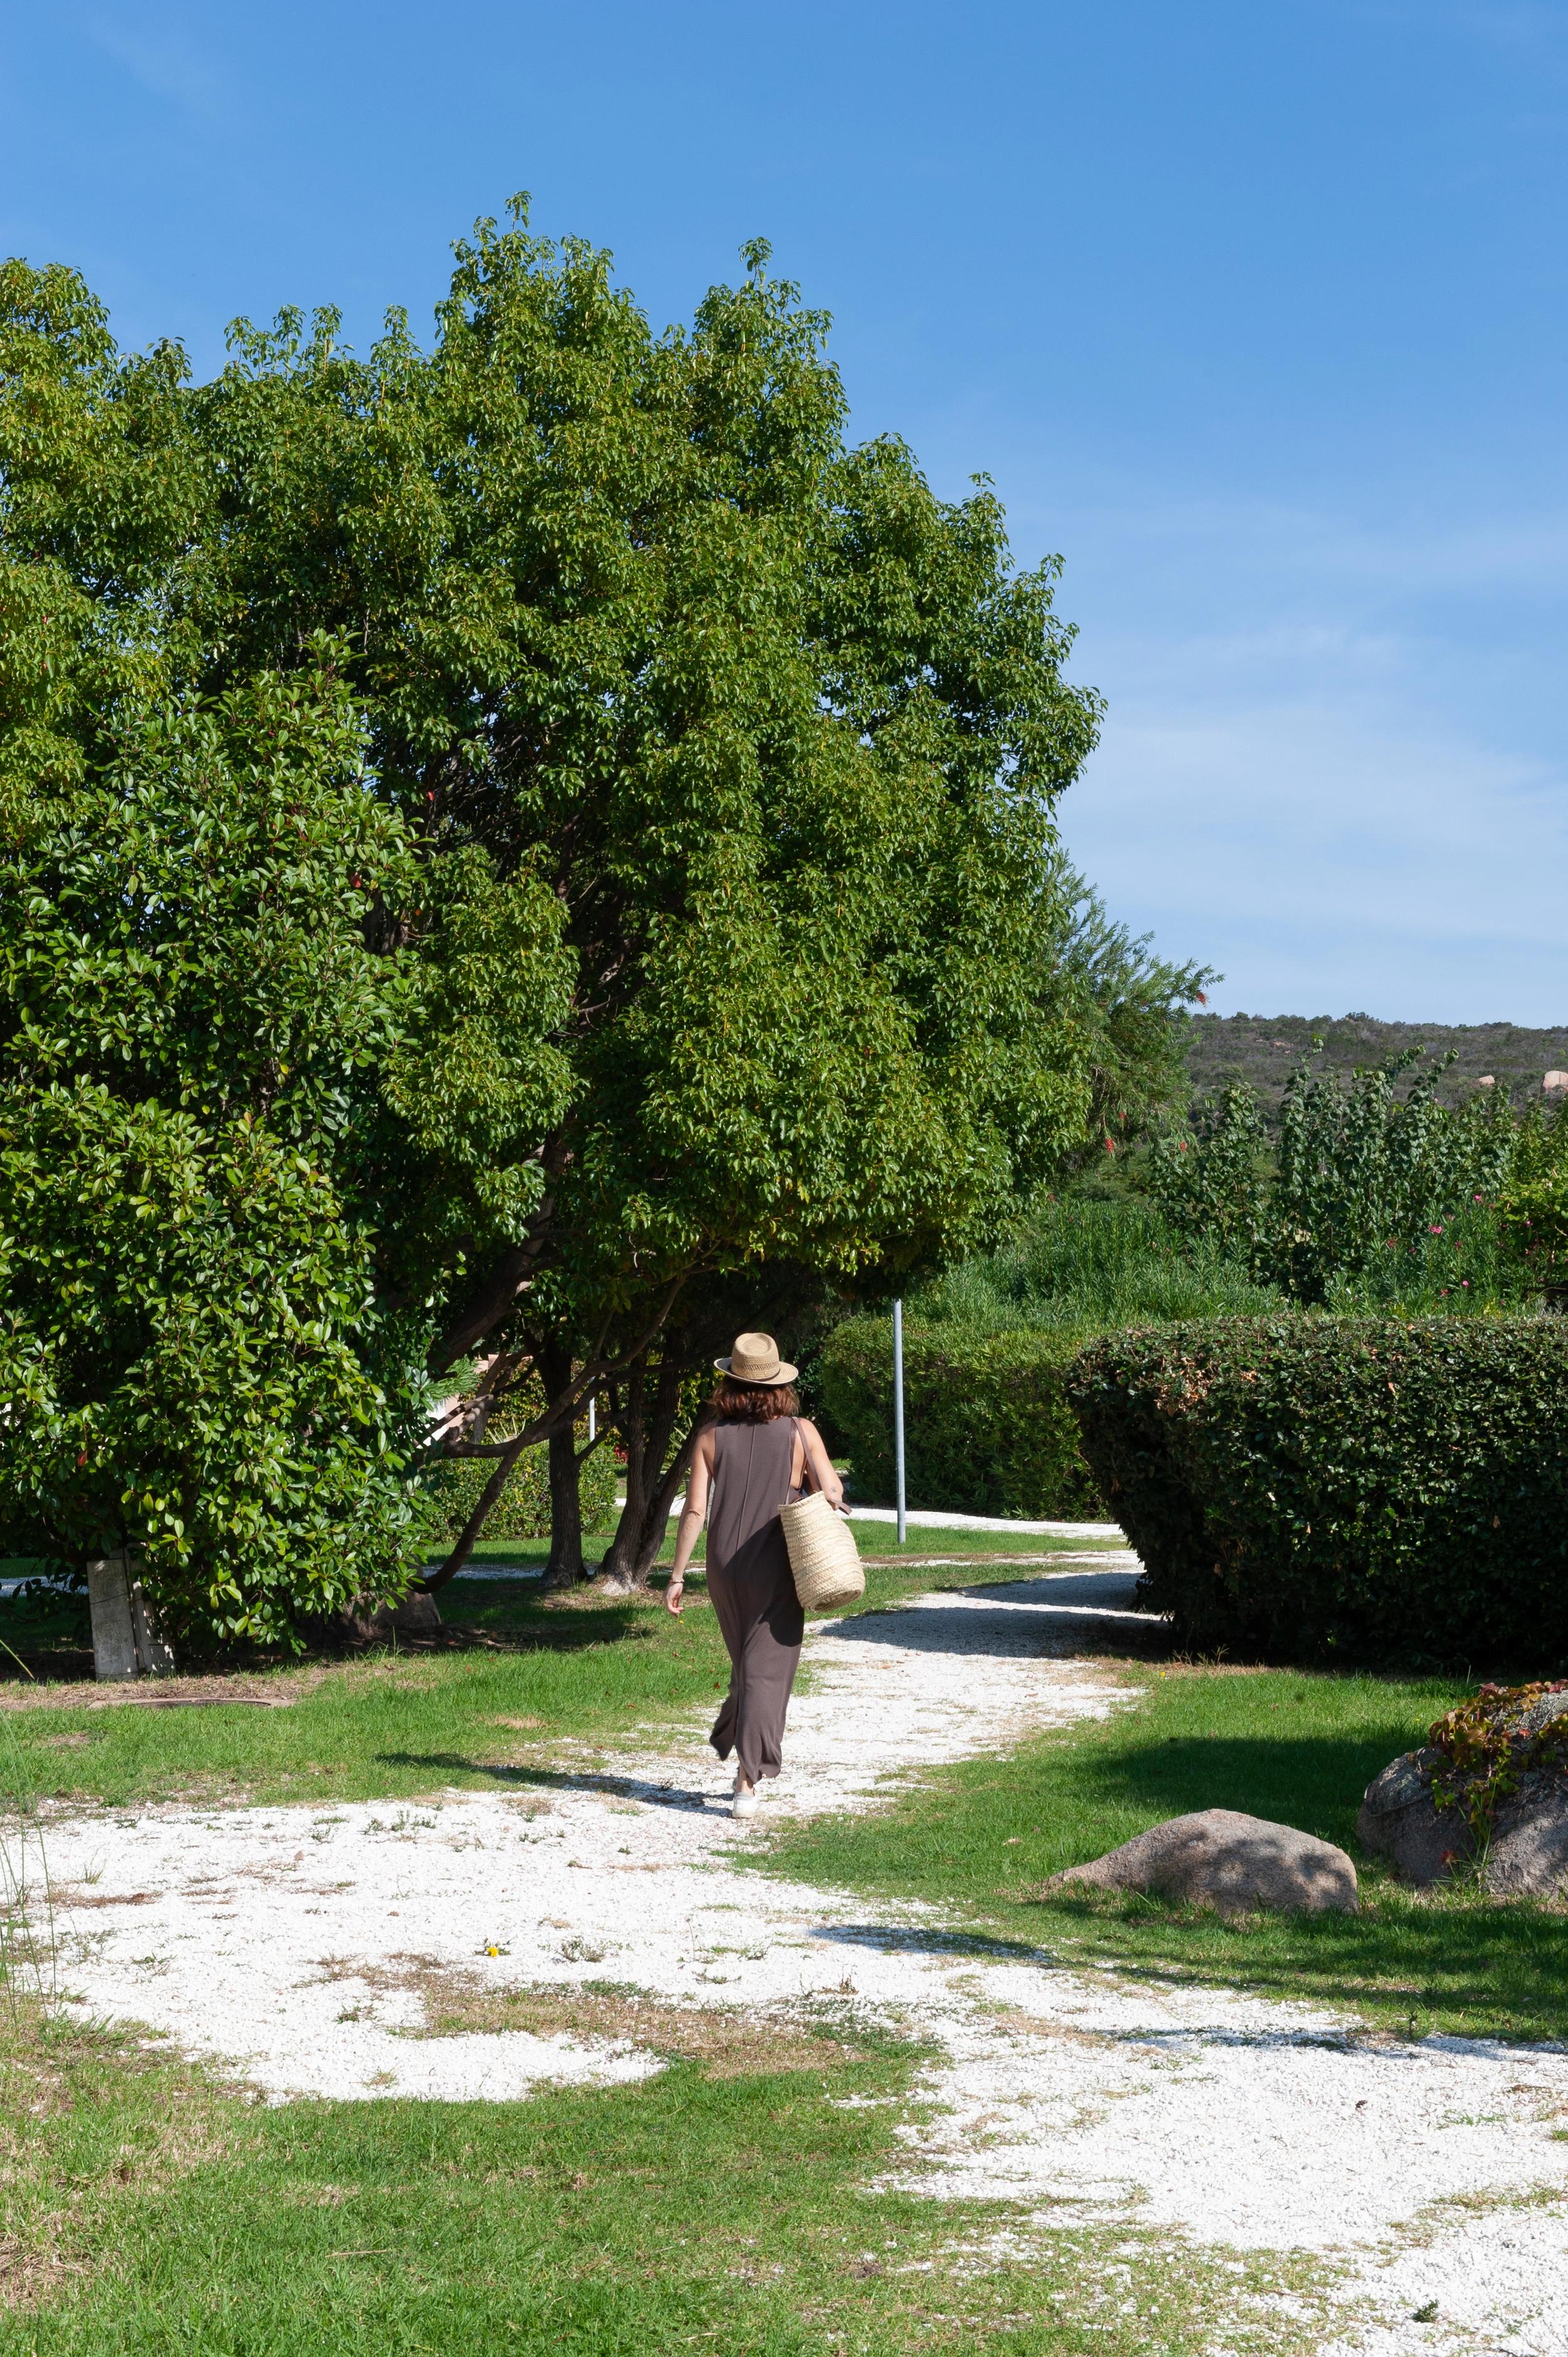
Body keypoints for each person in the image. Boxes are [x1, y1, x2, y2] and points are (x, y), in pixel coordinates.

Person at [665, 1331, 845, 1817]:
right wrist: (823, 1487)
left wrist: (678, 1574)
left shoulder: (709, 1437)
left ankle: (734, 1733)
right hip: (777, 1563)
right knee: (768, 1670)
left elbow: (695, 1512)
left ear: (730, 1383)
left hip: (724, 1565)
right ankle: (748, 1776)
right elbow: (831, 1489)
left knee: (748, 1664)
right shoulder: (800, 1431)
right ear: (778, 1384)